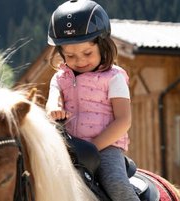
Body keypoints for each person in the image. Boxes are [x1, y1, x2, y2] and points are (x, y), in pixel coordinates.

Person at [45, 0, 139, 200]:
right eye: (70, 55)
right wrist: (55, 109)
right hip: (69, 148)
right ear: (61, 53)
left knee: (116, 184)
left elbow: (124, 121)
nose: (79, 61)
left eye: (87, 53)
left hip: (105, 148)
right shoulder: (60, 78)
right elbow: (52, 103)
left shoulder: (114, 77)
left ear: (102, 45)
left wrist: (92, 147)